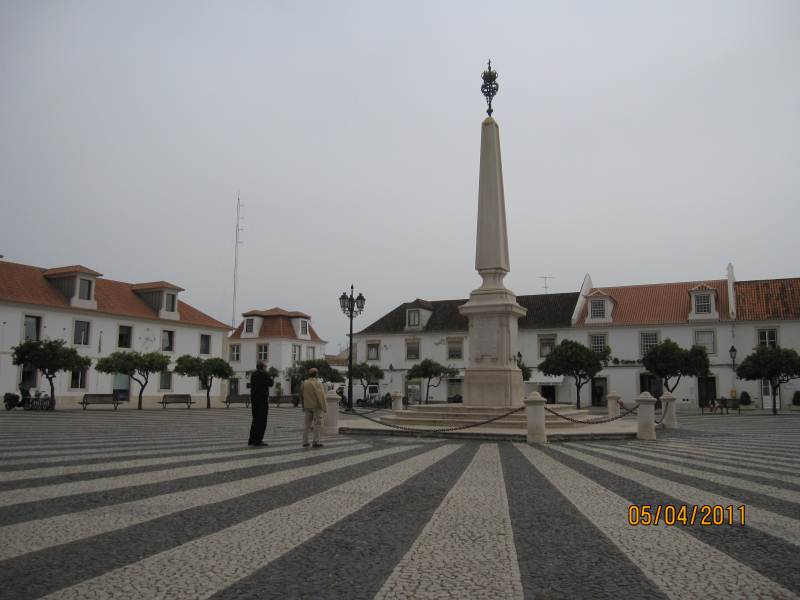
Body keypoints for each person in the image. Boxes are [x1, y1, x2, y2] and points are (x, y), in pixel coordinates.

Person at [248, 361, 274, 447]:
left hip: (254, 399)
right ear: (262, 367)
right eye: (265, 367)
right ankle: (258, 440)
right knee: (262, 420)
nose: (266, 368)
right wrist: (271, 376)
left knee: (255, 419)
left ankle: (251, 439)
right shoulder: (265, 374)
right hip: (262, 399)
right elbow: (270, 383)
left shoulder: (253, 374)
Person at [300, 367, 327, 448]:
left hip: (307, 406)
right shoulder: (318, 383)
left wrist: (303, 406)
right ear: (316, 374)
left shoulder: (305, 383)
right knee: (318, 424)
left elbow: (301, 395)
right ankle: (316, 441)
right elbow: (321, 396)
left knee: (306, 424)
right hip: (316, 406)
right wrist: (324, 407)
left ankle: (305, 441)